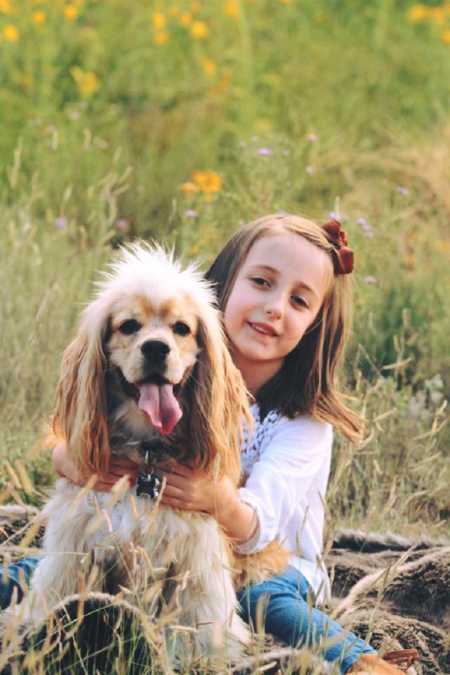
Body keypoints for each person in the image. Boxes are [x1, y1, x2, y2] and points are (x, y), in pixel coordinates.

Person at [0, 214, 415, 674]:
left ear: (316, 324)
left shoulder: (302, 424)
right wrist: (72, 458)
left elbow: (258, 528)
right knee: (37, 571)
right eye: (261, 282)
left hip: (267, 563)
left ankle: (365, 664)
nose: (275, 307)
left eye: (299, 300)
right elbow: (68, 434)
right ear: (224, 286)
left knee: (265, 601)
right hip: (164, 555)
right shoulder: (192, 350)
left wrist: (214, 498)